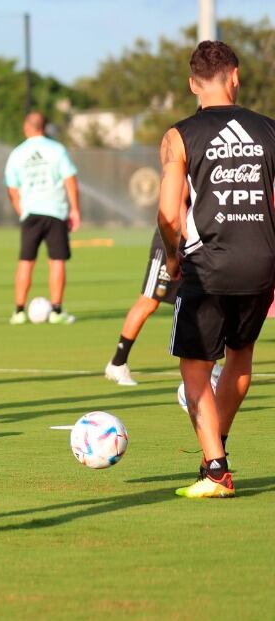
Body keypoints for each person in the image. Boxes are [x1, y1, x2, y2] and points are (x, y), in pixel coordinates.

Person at [157, 40, 275, 499]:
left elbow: (170, 213)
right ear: (236, 76)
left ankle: (216, 470)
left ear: (192, 85)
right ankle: (215, 447)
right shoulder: (268, 130)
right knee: (240, 359)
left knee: (195, 370)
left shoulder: (179, 135)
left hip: (209, 264)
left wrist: (172, 258)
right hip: (261, 262)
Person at [5, 111, 81, 324]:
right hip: (55, 212)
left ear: (26, 127)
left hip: (30, 213)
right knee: (56, 261)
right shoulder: (57, 150)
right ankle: (57, 310)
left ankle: (18, 311)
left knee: (25, 261)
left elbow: (11, 188)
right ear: (44, 127)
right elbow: (70, 181)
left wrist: (22, 210)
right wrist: (75, 209)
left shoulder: (18, 153)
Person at [104, 229, 183, 386]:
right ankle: (118, 362)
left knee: (197, 301)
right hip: (170, 242)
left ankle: (209, 363)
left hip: (197, 244)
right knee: (149, 302)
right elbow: (170, 212)